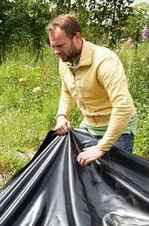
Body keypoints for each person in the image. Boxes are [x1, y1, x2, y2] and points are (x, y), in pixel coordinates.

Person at [48, 14, 137, 165]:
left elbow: (123, 106)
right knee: (87, 178)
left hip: (118, 130)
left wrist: (102, 147)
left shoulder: (104, 60)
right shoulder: (65, 60)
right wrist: (62, 115)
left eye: (60, 46)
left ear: (77, 37)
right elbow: (67, 92)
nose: (56, 52)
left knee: (115, 184)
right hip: (89, 126)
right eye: (53, 46)